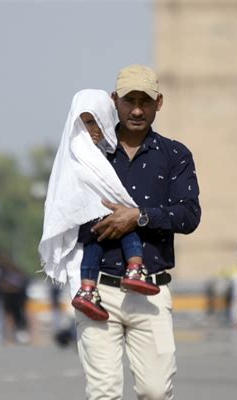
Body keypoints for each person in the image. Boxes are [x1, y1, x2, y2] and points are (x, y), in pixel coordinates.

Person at [74, 65, 200, 400]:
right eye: (129, 100)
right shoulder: (90, 155)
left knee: (155, 392)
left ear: (158, 103)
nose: (138, 109)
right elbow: (67, 212)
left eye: (146, 100)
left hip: (151, 290)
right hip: (98, 290)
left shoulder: (175, 155)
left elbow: (188, 215)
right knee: (103, 392)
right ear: (115, 101)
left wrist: (139, 217)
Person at [39, 89, 159, 324]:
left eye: (96, 122)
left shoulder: (108, 153)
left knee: (115, 227)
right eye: (86, 122)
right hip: (86, 220)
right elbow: (67, 192)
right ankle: (134, 268)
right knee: (123, 222)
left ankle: (88, 288)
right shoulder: (75, 151)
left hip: (99, 221)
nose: (92, 129)